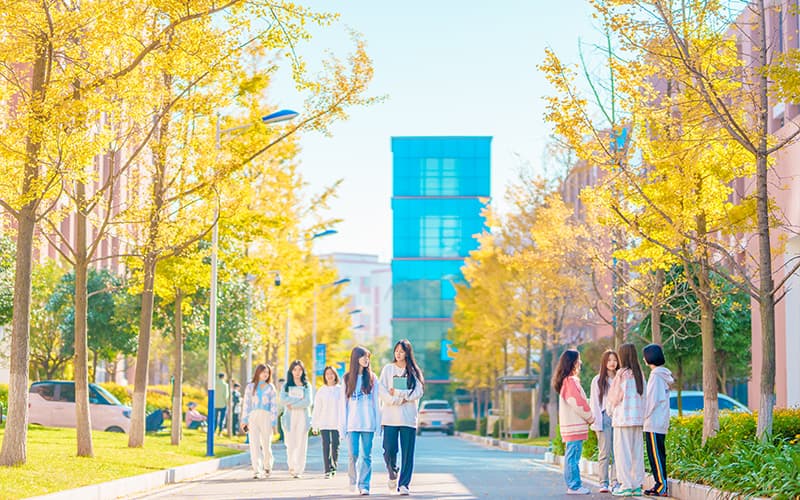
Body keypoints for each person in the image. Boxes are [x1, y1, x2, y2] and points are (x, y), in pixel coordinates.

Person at [379, 339, 424, 496]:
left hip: (408, 418)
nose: (398, 354)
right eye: (396, 351)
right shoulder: (387, 369)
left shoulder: (413, 371)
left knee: (407, 453)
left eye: (402, 351)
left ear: (407, 353)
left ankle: (404, 484)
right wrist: (396, 399)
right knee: (388, 450)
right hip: (390, 417)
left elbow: (418, 391)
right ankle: (392, 471)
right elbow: (382, 390)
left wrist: (399, 394)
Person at [340, 345, 381, 496]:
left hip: (368, 424)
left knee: (366, 456)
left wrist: (378, 424)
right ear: (355, 358)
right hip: (352, 424)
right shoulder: (346, 378)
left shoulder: (372, 378)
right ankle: (352, 480)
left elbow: (376, 403)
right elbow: (342, 405)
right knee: (353, 454)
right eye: (363, 356)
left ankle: (364, 485)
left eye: (368, 357)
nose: (366, 359)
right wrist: (342, 427)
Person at [553, 349, 594, 495]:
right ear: (572, 362)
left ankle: (573, 485)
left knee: (572, 456)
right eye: (578, 360)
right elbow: (578, 403)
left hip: (571, 426)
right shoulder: (570, 381)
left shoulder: (566, 381)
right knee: (573, 457)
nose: (580, 362)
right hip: (574, 426)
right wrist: (591, 417)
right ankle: (574, 486)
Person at [608, 343, 646, 497]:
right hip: (637, 420)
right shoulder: (639, 374)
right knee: (637, 453)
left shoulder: (621, 374)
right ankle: (637, 486)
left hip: (622, 420)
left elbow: (614, 398)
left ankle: (625, 485)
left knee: (622, 454)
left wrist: (610, 412)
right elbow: (645, 397)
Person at [642, 344, 673, 497]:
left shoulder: (655, 376)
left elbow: (651, 401)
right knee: (658, 454)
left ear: (649, 358)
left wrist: (643, 417)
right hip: (660, 421)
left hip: (653, 422)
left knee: (655, 455)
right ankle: (659, 484)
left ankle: (661, 486)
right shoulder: (663, 374)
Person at [590, 349, 619, 493]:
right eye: (609, 360)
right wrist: (596, 424)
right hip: (604, 417)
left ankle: (615, 482)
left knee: (617, 452)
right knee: (604, 452)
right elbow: (594, 403)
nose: (612, 363)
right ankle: (603, 483)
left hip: (619, 418)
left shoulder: (621, 378)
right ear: (604, 362)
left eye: (614, 360)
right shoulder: (598, 380)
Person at [241, 364, 278, 479]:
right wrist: (244, 420)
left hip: (266, 416)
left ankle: (267, 466)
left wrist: (273, 422)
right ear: (257, 372)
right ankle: (256, 470)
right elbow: (246, 404)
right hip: (253, 416)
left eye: (267, 372)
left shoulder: (271, 387)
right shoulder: (250, 387)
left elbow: (274, 406)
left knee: (266, 444)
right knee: (254, 443)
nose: (265, 374)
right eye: (263, 372)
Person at [281, 360, 312, 478]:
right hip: (290, 417)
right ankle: (292, 466)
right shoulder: (286, 385)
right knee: (290, 443)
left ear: (303, 371)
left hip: (302, 417)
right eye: (295, 370)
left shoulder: (306, 385)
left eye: (300, 369)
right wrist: (299, 400)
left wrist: (292, 404)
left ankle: (299, 469)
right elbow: (283, 400)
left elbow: (308, 402)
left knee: (301, 443)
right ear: (291, 371)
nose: (297, 372)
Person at [311, 366, 344, 479]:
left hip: (336, 423)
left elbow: (343, 408)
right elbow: (317, 409)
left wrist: (344, 424)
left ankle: (333, 466)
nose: (329, 376)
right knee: (326, 445)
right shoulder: (321, 390)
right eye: (327, 374)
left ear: (335, 375)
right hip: (324, 422)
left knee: (335, 445)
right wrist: (314, 425)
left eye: (331, 374)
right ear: (325, 376)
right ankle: (327, 470)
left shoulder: (340, 390)